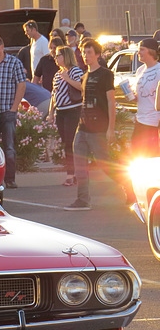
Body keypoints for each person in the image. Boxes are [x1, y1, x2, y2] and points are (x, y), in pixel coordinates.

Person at [64, 39, 117, 211]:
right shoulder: (84, 76)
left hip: (99, 128)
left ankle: (129, 186)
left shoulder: (106, 74)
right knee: (79, 165)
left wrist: (110, 128)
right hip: (83, 127)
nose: (86, 56)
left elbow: (111, 101)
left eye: (89, 52)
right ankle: (83, 199)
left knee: (105, 164)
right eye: (84, 52)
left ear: (97, 54)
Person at [0, 35, 27, 189]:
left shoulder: (13, 62)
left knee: (9, 147)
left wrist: (14, 108)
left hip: (8, 110)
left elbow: (21, 85)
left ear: (2, 47)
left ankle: (10, 179)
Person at [48, 45, 84, 186]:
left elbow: (81, 86)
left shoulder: (75, 71)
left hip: (73, 110)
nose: (56, 58)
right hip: (61, 111)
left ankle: (72, 174)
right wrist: (51, 112)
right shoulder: (57, 74)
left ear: (66, 56)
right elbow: (54, 94)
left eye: (59, 55)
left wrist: (68, 79)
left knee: (71, 142)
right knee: (66, 143)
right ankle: (72, 172)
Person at [130, 39, 160, 158]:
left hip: (154, 122)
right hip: (140, 120)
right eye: (138, 50)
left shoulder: (159, 70)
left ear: (151, 51)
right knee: (137, 154)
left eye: (142, 49)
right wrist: (133, 96)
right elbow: (141, 96)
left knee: (152, 156)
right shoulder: (140, 71)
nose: (139, 52)